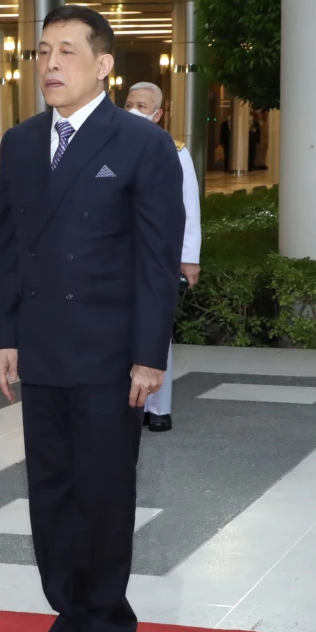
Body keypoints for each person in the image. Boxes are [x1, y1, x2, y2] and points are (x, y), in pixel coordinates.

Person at [0, 5, 184, 632]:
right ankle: (67, 618)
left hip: (108, 351)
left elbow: (156, 260)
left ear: (104, 65)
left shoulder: (140, 144)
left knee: (102, 490)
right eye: (42, 51)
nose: (49, 65)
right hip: (40, 347)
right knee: (49, 490)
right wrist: (5, 336)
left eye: (67, 52)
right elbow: (10, 250)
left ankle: (107, 623)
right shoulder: (18, 142)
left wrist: (149, 354)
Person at [123, 81, 201, 433]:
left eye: (143, 104)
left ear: (158, 113)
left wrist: (189, 257)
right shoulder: (110, 143)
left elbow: (188, 207)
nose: (134, 109)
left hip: (157, 255)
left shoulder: (173, 149)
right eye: (129, 102)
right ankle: (128, 403)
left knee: (155, 329)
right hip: (118, 255)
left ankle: (159, 407)